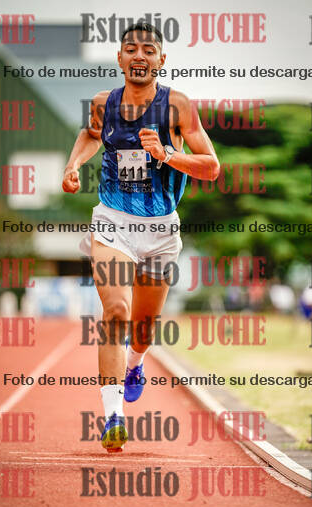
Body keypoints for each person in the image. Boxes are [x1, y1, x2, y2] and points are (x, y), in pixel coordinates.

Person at [62, 22, 219, 452]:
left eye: (149, 50)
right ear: (119, 58)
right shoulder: (103, 103)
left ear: (161, 60)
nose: (139, 56)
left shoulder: (178, 106)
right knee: (116, 311)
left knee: (143, 329)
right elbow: (90, 134)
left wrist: (166, 154)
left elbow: (211, 166)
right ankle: (113, 416)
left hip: (161, 228)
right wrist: (73, 165)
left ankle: (136, 362)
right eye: (131, 49)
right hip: (112, 221)